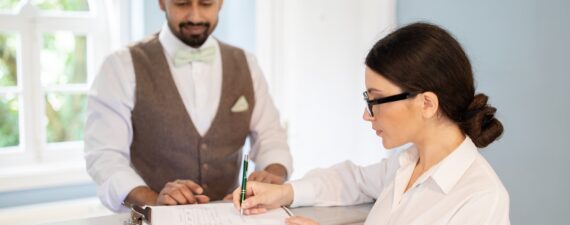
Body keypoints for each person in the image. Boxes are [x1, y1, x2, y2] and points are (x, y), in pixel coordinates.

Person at [232, 22, 511, 225]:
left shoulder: (481, 198)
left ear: (427, 103)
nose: (367, 114)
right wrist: (284, 192)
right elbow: (350, 181)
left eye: (376, 99)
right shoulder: (407, 164)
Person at [84, 0, 292, 212]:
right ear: (162, 3)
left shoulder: (247, 64)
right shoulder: (120, 66)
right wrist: (155, 202)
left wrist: (272, 174)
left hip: (232, 216)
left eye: (206, 4)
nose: (195, 16)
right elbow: (105, 157)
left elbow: (271, 138)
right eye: (182, 3)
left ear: (220, 2)